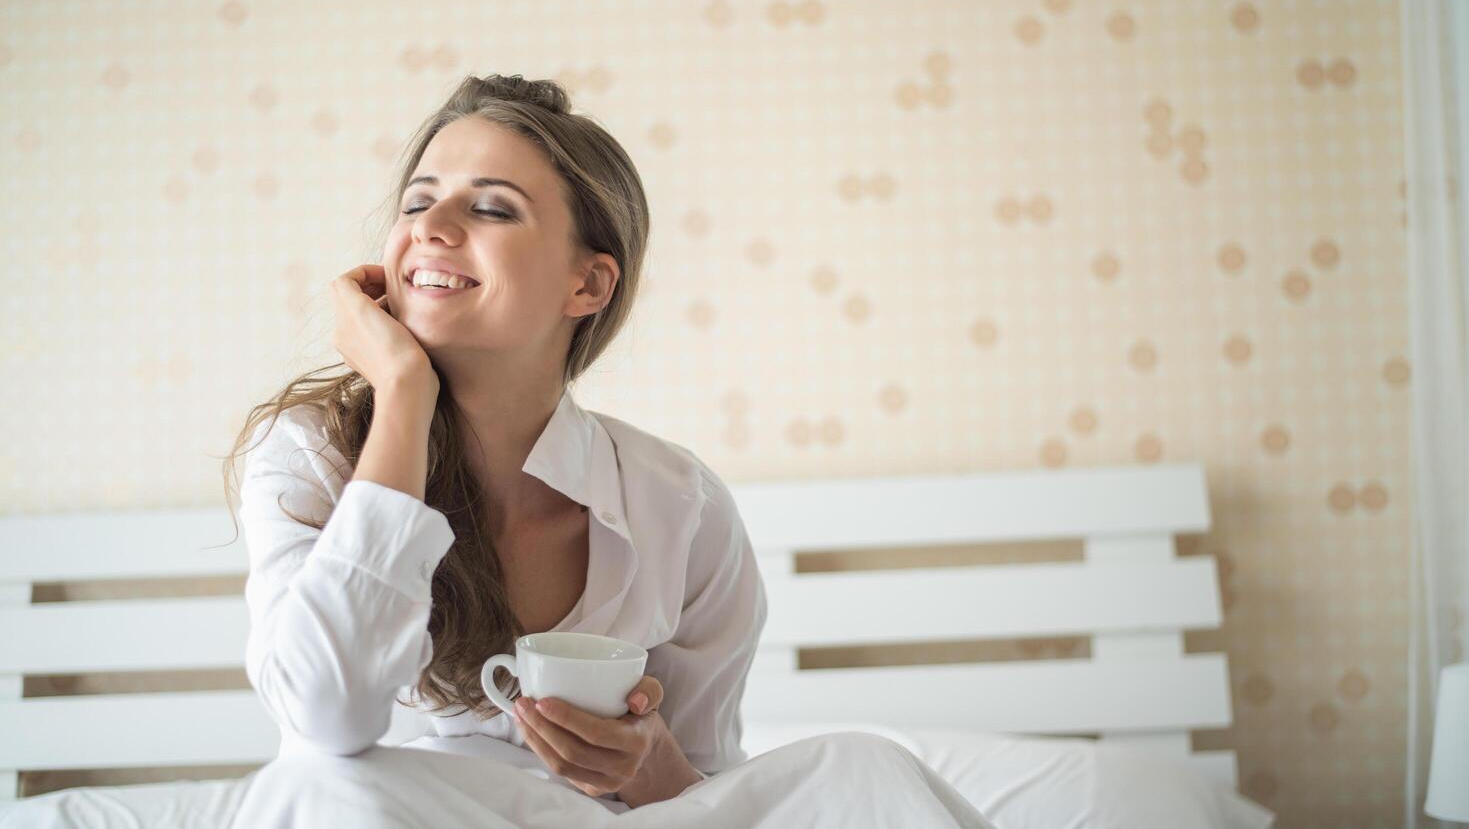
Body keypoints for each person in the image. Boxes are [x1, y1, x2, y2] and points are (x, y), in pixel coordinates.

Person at [220, 73, 995, 828]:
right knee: (320, 789)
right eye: (417, 200)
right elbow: (324, 716)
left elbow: (709, 794)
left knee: (862, 770)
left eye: (490, 207)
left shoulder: (677, 503)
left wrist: (649, 765)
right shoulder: (310, 457)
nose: (430, 224)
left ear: (586, 285)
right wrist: (401, 394)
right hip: (405, 812)